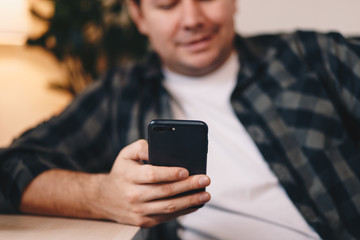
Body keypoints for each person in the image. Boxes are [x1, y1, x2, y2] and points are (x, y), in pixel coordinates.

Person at [1, 0, 359, 239]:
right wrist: (101, 195)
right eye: (167, 4)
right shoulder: (118, 93)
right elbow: (10, 168)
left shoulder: (314, 56)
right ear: (139, 16)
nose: (192, 20)